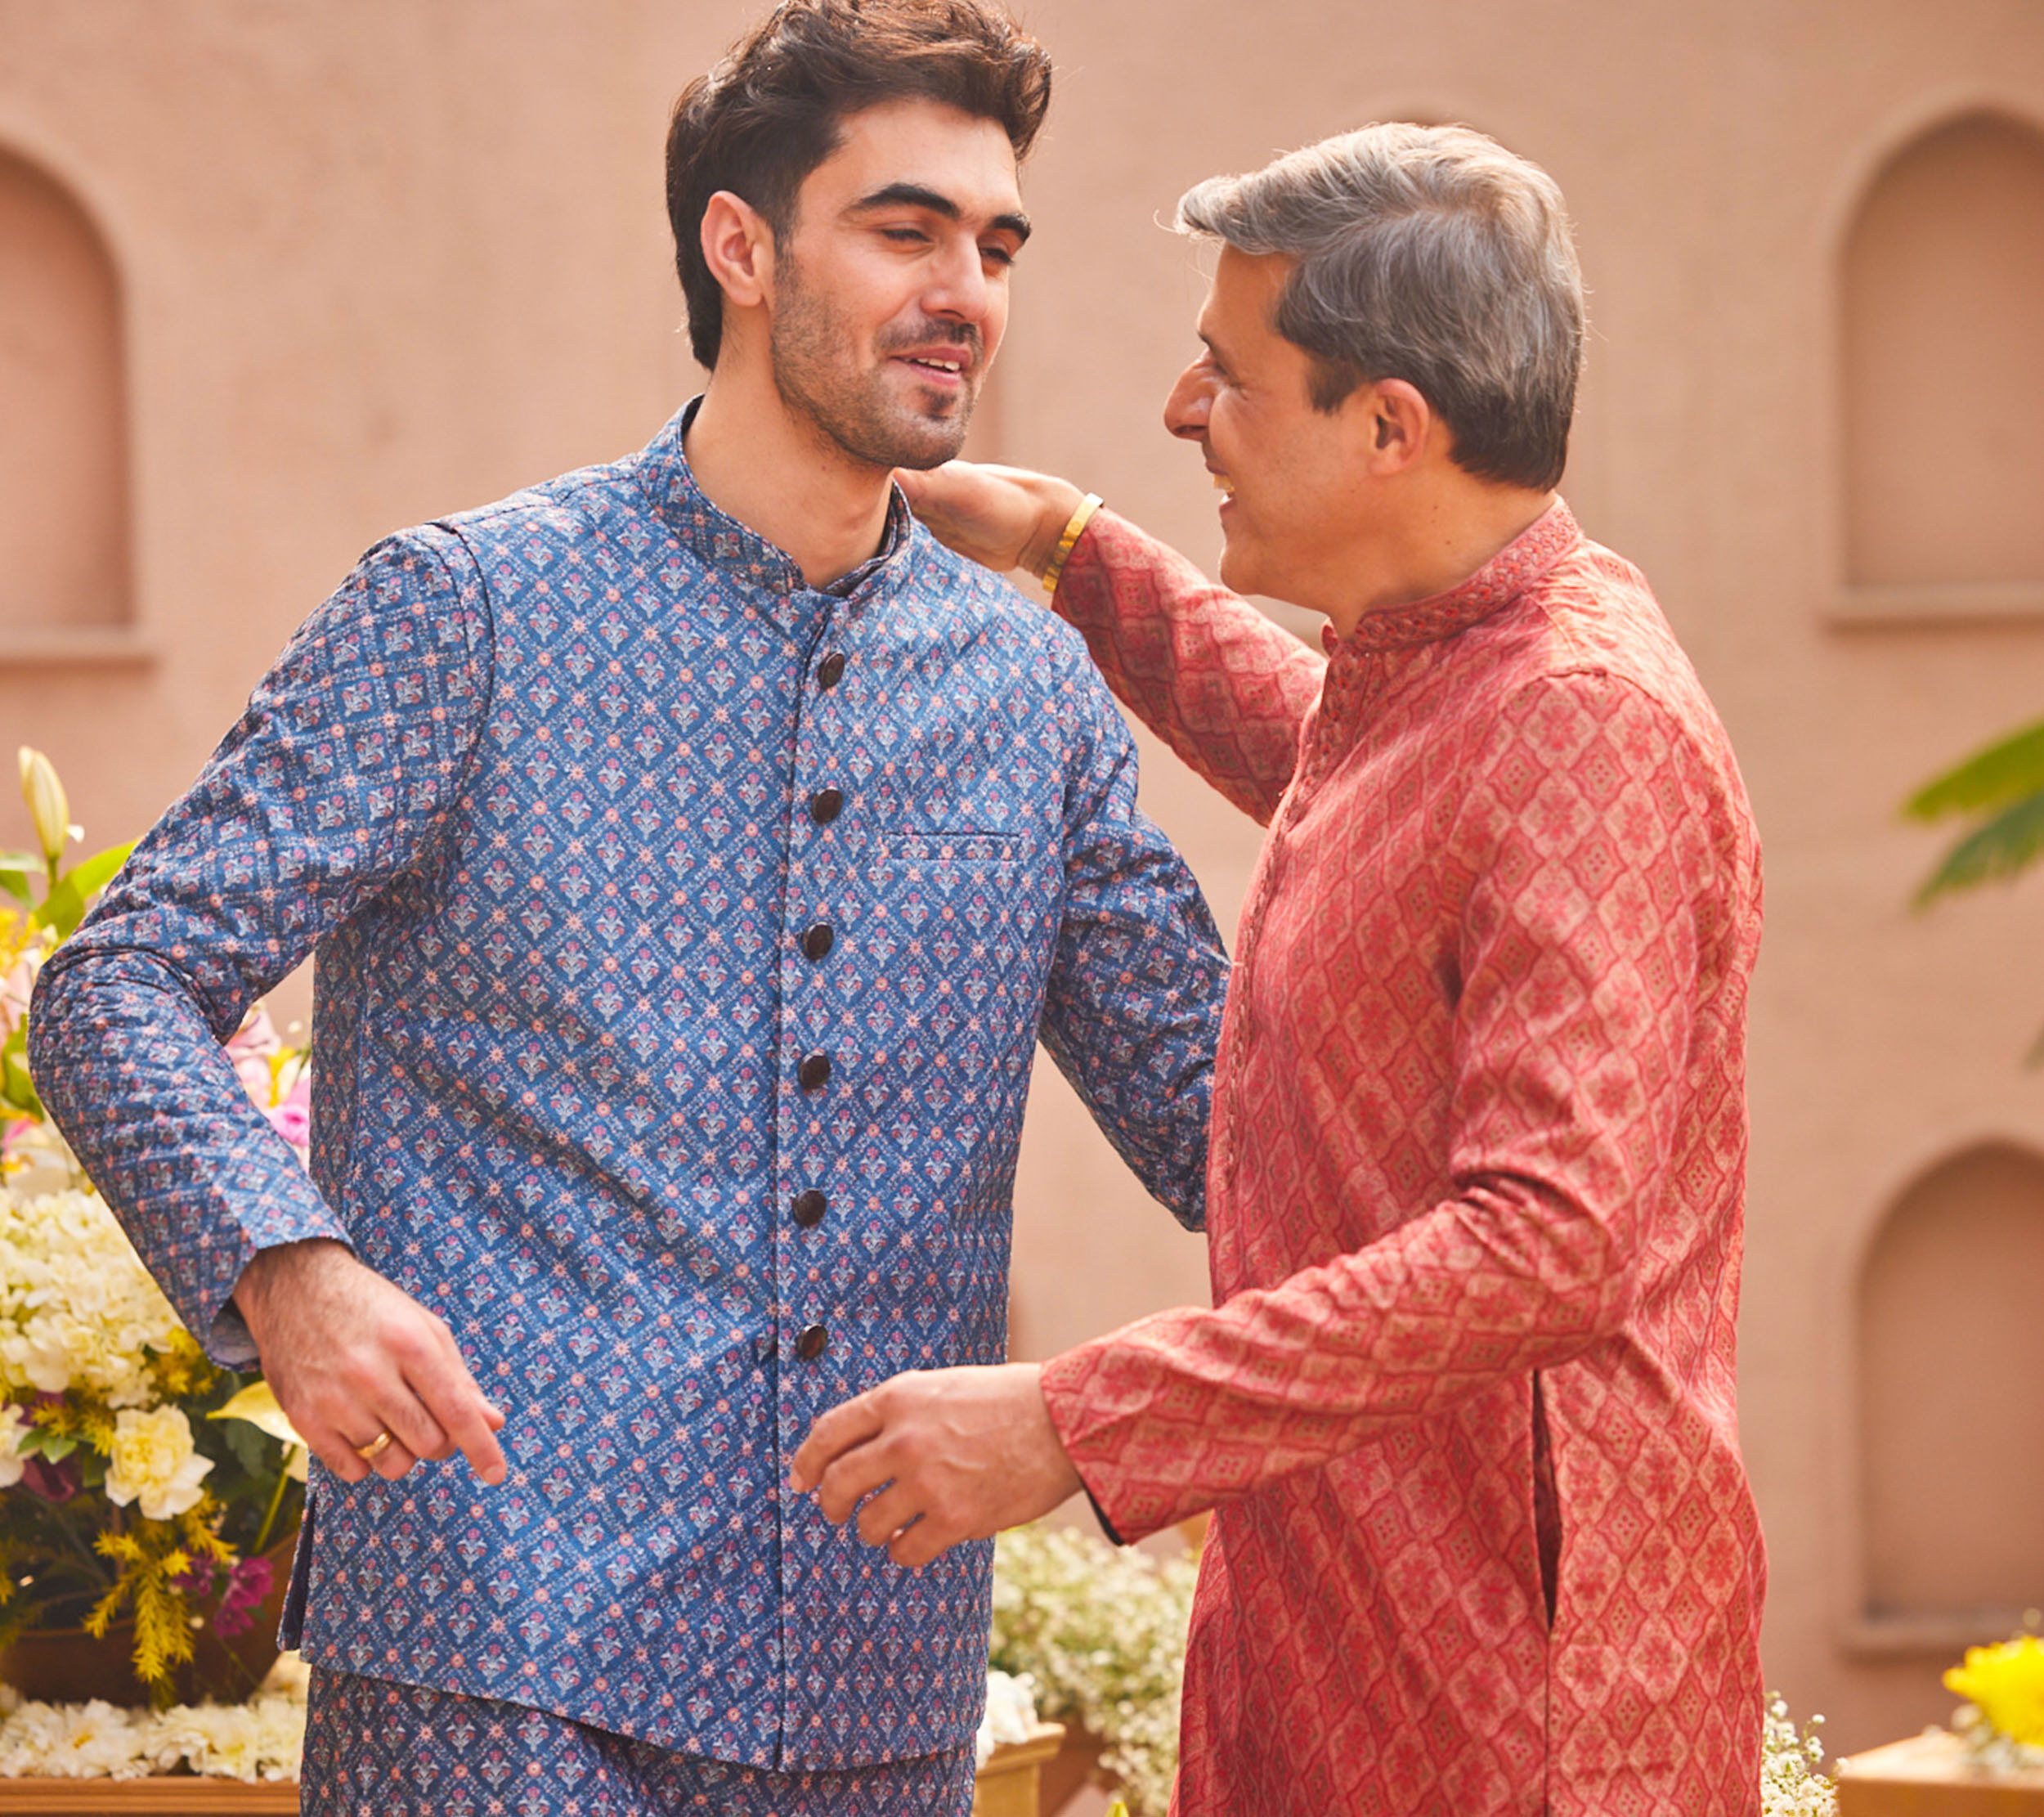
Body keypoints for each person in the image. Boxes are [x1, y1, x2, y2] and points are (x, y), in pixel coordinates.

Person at [29, 3, 1229, 1811]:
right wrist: (288, 1269)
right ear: (738, 247)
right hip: (493, 1669)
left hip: (873, 1691)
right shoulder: (470, 613)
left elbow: (1239, 1132)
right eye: (903, 228)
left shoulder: (1030, 696)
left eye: (993, 244)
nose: (964, 288)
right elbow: (118, 976)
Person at [792, 122, 1767, 1814]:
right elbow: (1371, 788)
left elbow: (1548, 1243)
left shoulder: (1581, 719)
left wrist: (1074, 1423)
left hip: (1512, 1708)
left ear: (1389, 425)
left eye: (1225, 376)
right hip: (1346, 1627)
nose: (1182, 414)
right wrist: (1073, 554)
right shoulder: (1456, 678)